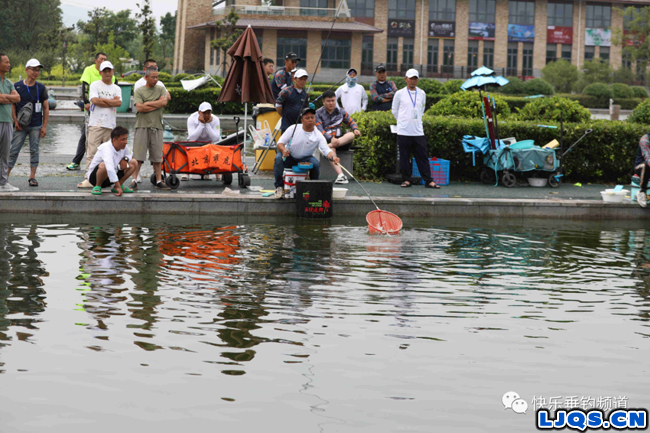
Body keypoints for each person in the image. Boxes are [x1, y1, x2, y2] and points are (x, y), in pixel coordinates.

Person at [273, 107, 340, 199]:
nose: (310, 120)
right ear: (302, 120)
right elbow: (280, 143)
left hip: (306, 159)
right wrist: (284, 150)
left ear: (315, 119)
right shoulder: (293, 128)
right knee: (278, 159)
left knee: (316, 164)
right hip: (289, 155)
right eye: (307, 118)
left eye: (312, 117)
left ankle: (313, 188)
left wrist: (333, 157)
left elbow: (327, 150)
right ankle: (279, 187)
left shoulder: (318, 135)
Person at [392, 68, 440, 189]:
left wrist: (415, 120)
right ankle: (406, 180)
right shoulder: (399, 93)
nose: (413, 81)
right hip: (403, 130)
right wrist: (403, 121)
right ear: (405, 79)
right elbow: (394, 110)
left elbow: (421, 109)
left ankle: (428, 180)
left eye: (415, 78)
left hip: (418, 130)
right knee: (404, 157)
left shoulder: (422, 93)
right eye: (410, 78)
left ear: (418, 79)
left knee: (422, 156)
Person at [77, 60, 122, 188]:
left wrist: (103, 101)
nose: (107, 73)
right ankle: (89, 178)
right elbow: (95, 101)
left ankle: (106, 178)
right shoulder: (95, 85)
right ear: (100, 72)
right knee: (92, 152)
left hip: (110, 126)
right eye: (105, 71)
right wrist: (110, 101)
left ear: (113, 72)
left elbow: (118, 103)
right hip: (96, 124)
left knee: (109, 154)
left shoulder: (117, 88)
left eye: (110, 71)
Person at [7, 59, 49, 187]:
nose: (36, 72)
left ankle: (32, 177)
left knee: (34, 150)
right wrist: (15, 121)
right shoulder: (17, 86)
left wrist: (44, 126)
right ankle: (5, 176)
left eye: (38, 70)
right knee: (14, 150)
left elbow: (46, 107)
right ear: (26, 70)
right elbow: (12, 105)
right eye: (33, 69)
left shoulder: (41, 88)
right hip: (20, 125)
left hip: (36, 125)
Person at [66, 52, 108, 174]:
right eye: (101, 59)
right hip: (92, 109)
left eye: (105, 59)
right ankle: (77, 162)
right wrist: (86, 102)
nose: (103, 61)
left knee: (105, 138)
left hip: (105, 111)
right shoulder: (89, 70)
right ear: (96, 60)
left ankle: (104, 164)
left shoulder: (109, 72)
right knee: (85, 135)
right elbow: (85, 87)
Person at [132, 67, 169, 190]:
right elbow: (140, 108)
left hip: (157, 126)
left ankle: (159, 180)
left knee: (157, 156)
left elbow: (163, 103)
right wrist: (155, 103)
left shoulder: (161, 89)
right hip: (142, 126)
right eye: (153, 77)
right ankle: (134, 180)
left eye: (157, 77)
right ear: (146, 77)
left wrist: (147, 103)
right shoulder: (139, 90)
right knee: (138, 155)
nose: (156, 79)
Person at [315, 90, 361, 184]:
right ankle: (341, 175)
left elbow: (351, 121)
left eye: (333, 100)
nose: (331, 103)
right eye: (328, 101)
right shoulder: (318, 113)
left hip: (340, 140)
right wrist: (330, 139)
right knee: (331, 148)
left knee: (351, 135)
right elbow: (319, 130)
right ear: (323, 102)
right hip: (326, 140)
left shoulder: (341, 111)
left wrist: (355, 128)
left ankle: (329, 146)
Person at [86, 126, 139, 196]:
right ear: (114, 140)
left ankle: (118, 185)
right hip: (95, 178)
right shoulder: (106, 148)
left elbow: (130, 153)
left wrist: (125, 159)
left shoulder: (124, 146)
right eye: (123, 139)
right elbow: (109, 168)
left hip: (111, 177)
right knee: (104, 165)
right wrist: (118, 187)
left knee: (134, 162)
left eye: (126, 139)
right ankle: (97, 186)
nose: (125, 142)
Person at [184, 101, 221, 181]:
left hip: (209, 143)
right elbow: (192, 137)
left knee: (217, 146)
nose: (207, 115)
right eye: (204, 113)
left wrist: (207, 124)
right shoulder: (191, 118)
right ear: (199, 112)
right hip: (195, 142)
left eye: (209, 113)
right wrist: (201, 124)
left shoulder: (216, 119)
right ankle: (186, 172)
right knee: (188, 146)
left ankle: (218, 173)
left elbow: (216, 138)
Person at [0, 53, 20, 192]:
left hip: (7, 121)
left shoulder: (8, 82)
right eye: (6, 62)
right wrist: (9, 98)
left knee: (5, 154)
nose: (9, 64)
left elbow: (17, 98)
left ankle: (3, 182)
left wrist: (5, 97)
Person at [276, 69, 309, 133]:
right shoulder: (286, 91)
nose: (303, 81)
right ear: (295, 79)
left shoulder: (305, 94)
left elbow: (305, 109)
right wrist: (285, 115)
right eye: (301, 79)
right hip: (286, 127)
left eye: (305, 79)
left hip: (299, 128)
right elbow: (278, 106)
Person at [635, 133, 650, 207]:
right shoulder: (645, 140)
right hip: (640, 167)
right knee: (646, 165)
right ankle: (642, 191)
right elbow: (648, 158)